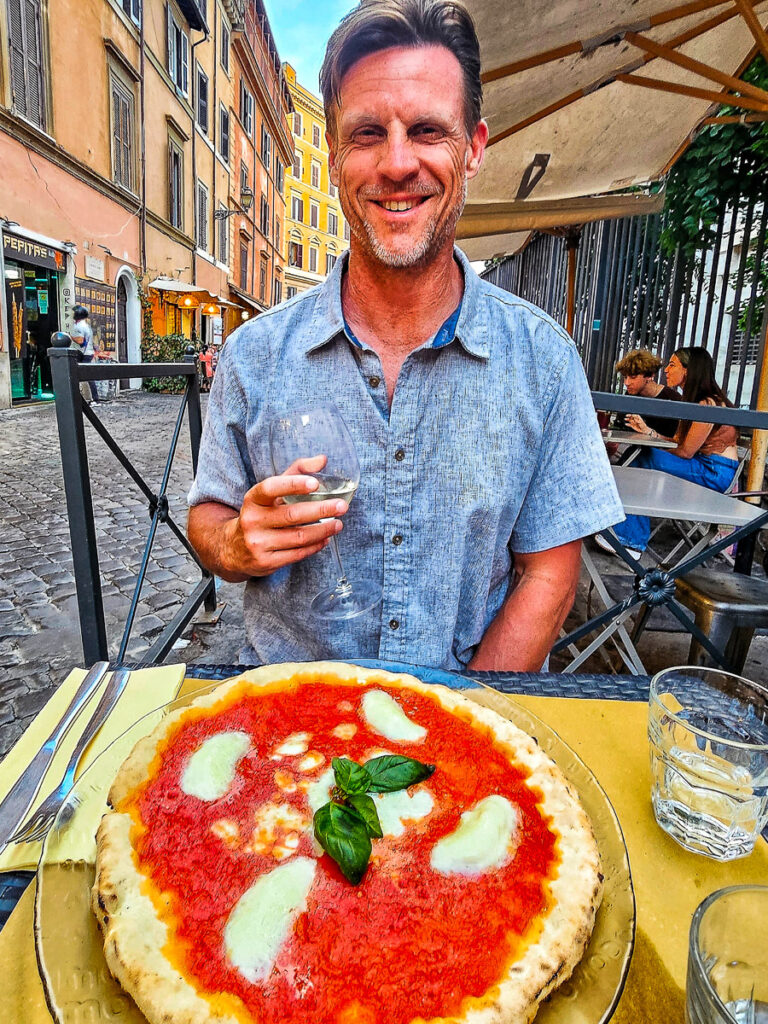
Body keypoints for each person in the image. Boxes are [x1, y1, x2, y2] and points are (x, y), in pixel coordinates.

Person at [187, 0, 623, 672]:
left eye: (426, 130)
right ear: (332, 155)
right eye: (366, 134)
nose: (396, 163)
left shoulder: (544, 362)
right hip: (286, 722)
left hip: (461, 728)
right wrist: (236, 546)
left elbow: (548, 575)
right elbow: (208, 517)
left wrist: (457, 727)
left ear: (473, 148)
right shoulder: (254, 354)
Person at [600, 347, 739, 558]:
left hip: (713, 473)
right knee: (640, 455)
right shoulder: (690, 401)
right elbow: (677, 443)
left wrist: (652, 441)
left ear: (689, 370)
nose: (666, 370)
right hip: (700, 465)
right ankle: (625, 531)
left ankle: (632, 541)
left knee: (647, 458)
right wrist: (648, 432)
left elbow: (684, 452)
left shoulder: (708, 403)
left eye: (673, 365)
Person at [615, 348, 681, 438]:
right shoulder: (629, 396)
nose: (627, 383)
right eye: (625, 377)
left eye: (633, 377)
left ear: (650, 376)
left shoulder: (673, 399)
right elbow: (619, 428)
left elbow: (677, 442)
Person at [69, 305, 100, 403]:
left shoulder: (79, 326)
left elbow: (80, 340)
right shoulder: (85, 325)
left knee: (76, 374)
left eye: (73, 312)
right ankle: (94, 398)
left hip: (82, 353)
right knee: (87, 376)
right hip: (87, 352)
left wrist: (70, 336)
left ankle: (80, 397)